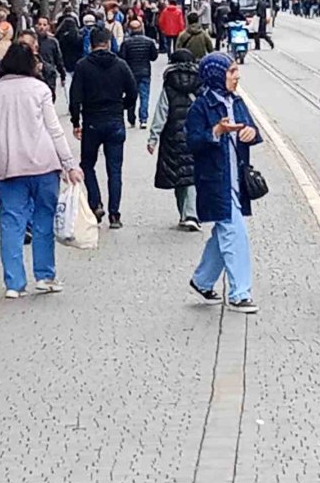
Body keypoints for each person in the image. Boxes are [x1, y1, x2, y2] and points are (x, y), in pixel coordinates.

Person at [0, 44, 84, 299]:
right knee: (43, 221)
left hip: (9, 168)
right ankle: (45, 276)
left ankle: (14, 283)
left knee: (11, 224)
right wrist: (69, 163)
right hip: (44, 165)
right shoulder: (40, 89)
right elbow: (54, 129)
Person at [185, 52, 262, 313]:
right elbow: (192, 142)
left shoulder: (237, 101)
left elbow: (251, 129)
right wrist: (216, 132)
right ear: (217, 75)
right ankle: (240, 294)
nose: (236, 76)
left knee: (224, 232)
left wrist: (250, 132)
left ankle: (202, 280)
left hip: (237, 179)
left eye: (236, 70)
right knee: (234, 233)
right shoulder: (201, 106)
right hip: (215, 181)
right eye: (231, 71)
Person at [70, 27, 137, 229]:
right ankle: (115, 215)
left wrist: (76, 121)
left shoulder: (83, 66)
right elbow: (133, 91)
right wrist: (122, 107)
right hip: (115, 120)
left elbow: (75, 97)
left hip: (92, 120)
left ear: (91, 44)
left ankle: (96, 202)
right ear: (108, 43)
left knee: (87, 164)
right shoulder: (120, 65)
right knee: (114, 169)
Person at [147, 49, 202, 231]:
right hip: (195, 134)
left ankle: (185, 214)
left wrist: (153, 138)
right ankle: (191, 214)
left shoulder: (169, 85)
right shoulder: (200, 83)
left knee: (179, 175)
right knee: (192, 174)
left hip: (173, 136)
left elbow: (161, 112)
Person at [119, 18, 159, 128]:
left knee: (131, 95)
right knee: (144, 96)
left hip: (130, 72)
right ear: (141, 28)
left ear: (130, 29)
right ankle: (143, 119)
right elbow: (154, 57)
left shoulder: (126, 43)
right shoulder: (149, 41)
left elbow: (122, 58)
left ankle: (131, 118)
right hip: (145, 71)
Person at [55, 14, 84, 94]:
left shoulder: (59, 38)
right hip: (76, 63)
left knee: (67, 87)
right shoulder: (79, 38)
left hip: (65, 64)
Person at [35, 16, 66, 88]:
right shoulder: (32, 41)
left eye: (44, 25)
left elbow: (58, 60)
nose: (42, 27)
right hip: (35, 76)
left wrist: (63, 75)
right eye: (40, 24)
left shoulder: (53, 42)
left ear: (48, 27)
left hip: (49, 76)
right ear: (36, 26)